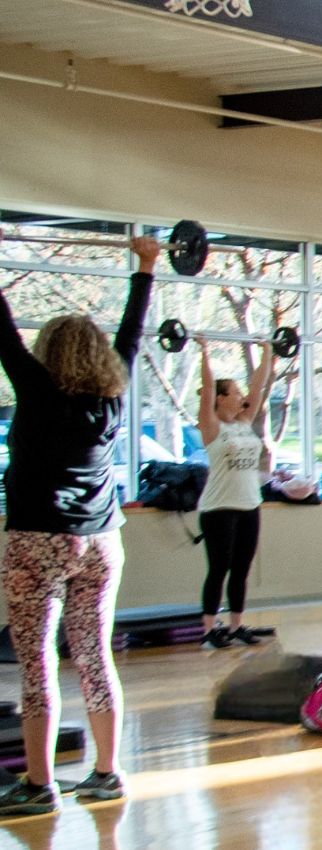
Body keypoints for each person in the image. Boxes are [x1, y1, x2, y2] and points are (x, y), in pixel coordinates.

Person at [0, 235, 160, 815]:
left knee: (38, 659)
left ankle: (39, 784)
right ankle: (106, 773)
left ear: (47, 353)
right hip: (101, 541)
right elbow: (132, 336)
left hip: (37, 540)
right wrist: (145, 268)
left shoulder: (38, 391)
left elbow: (1, 327)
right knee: (95, 657)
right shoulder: (114, 400)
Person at [193, 334, 277, 648]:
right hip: (218, 508)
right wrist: (204, 352)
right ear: (221, 397)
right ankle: (208, 629)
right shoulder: (212, 426)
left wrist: (267, 352)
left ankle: (236, 625)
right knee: (219, 569)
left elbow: (258, 388)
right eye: (235, 392)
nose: (242, 396)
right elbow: (207, 388)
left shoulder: (244, 422)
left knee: (241, 569)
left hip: (249, 505)